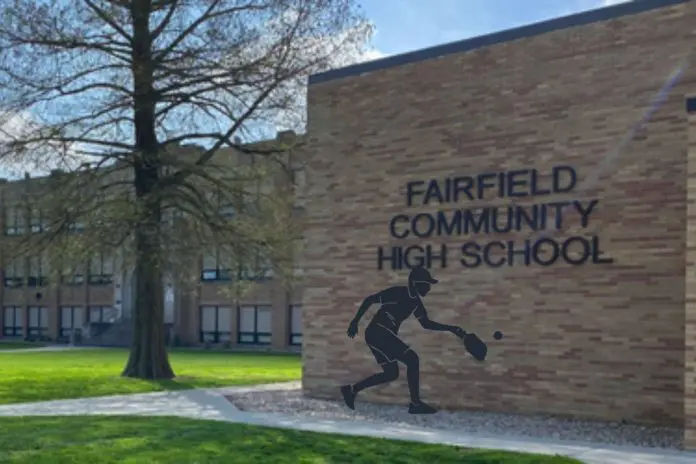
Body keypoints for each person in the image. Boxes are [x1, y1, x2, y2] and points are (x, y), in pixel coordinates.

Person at [340, 266, 465, 414]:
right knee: (412, 359)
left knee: (391, 374)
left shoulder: (416, 303)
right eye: (426, 284)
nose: (429, 287)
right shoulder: (398, 293)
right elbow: (370, 300)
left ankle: (352, 390)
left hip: (380, 335)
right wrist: (354, 322)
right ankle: (415, 404)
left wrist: (452, 329)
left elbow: (426, 323)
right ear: (415, 283)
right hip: (378, 332)